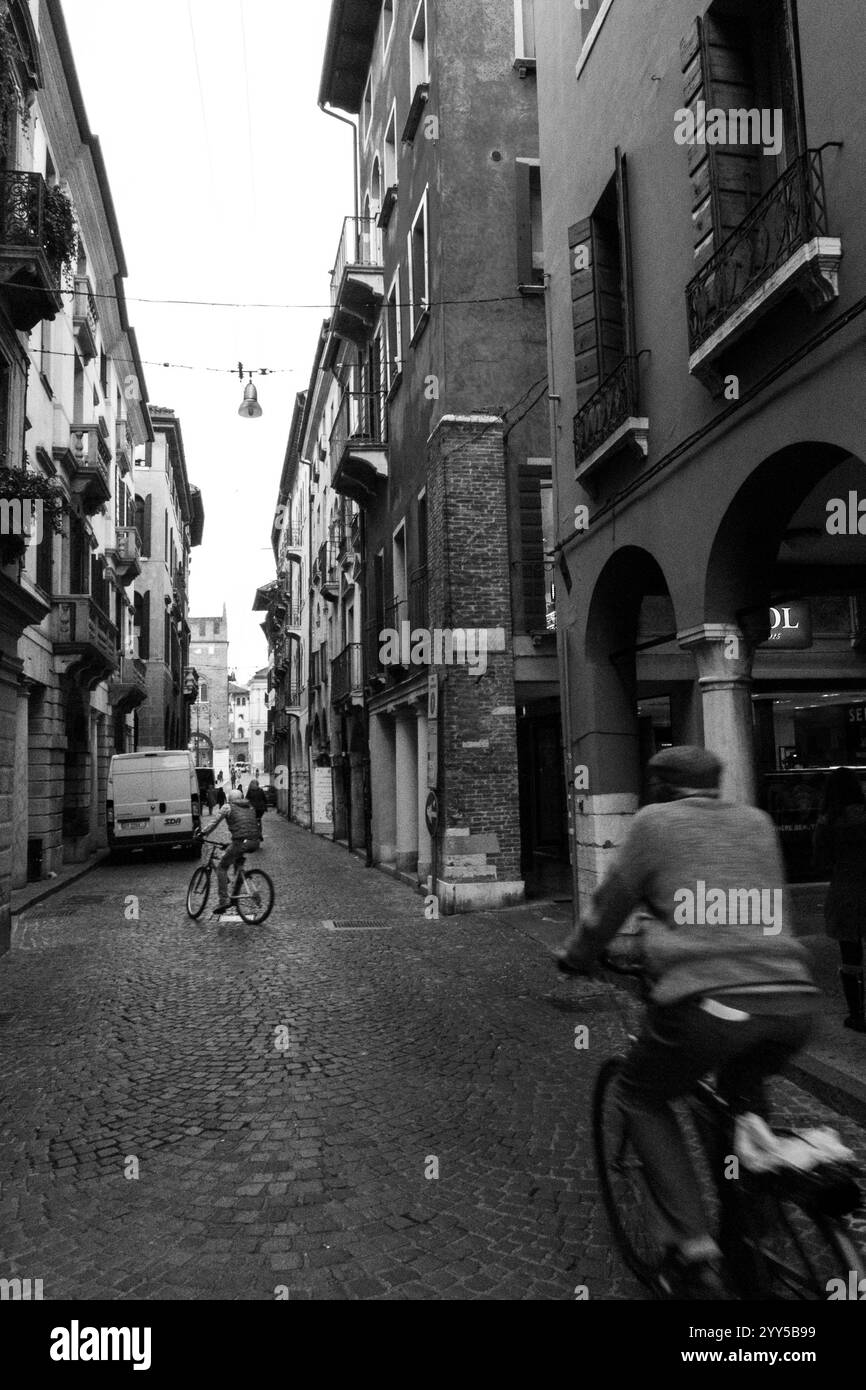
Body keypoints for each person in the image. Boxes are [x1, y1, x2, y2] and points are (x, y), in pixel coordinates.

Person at [555, 746, 820, 1299]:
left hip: (708, 1004)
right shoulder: (757, 821)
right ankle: (753, 1229)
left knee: (640, 1095)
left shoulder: (655, 823)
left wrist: (578, 955)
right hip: (793, 1002)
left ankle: (693, 1243)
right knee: (739, 1102)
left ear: (659, 788)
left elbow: (610, 905)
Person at [813, 767, 866, 1032]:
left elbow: (821, 859)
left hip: (846, 890)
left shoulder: (829, 820)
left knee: (851, 954)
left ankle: (858, 1014)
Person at [208, 789, 261, 916]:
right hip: (255, 842)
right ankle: (238, 884)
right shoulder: (249, 806)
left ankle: (223, 900)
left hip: (240, 842)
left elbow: (214, 822)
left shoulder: (228, 807)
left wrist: (203, 833)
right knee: (235, 855)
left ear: (229, 799)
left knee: (221, 867)